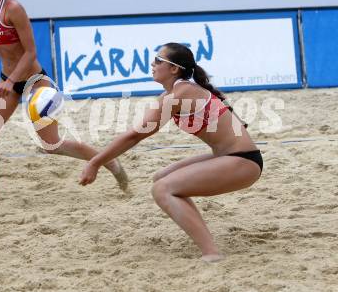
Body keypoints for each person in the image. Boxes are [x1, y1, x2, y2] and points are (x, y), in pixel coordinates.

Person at [79, 42, 263, 262]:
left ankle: (211, 253)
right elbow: (136, 133)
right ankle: (204, 237)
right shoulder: (175, 93)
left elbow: (134, 136)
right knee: (162, 177)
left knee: (163, 189)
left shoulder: (181, 93)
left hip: (243, 161)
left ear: (174, 68)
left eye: (158, 60)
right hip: (230, 156)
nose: (152, 64)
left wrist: (95, 162)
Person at [0, 0, 127, 201]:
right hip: (8, 82)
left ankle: (109, 161)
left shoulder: (13, 8)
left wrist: (10, 79)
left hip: (35, 81)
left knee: (50, 145)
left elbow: (30, 52)